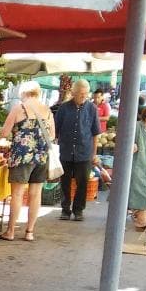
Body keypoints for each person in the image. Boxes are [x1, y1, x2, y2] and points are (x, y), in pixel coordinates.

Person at [0, 81, 54, 242]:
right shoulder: (48, 111)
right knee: (36, 194)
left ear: (24, 93)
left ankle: (10, 231)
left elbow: (4, 132)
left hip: (22, 156)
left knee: (17, 193)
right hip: (42, 157)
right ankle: (29, 232)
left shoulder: (19, 108)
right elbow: (52, 135)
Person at [53, 79, 100, 221]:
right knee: (65, 182)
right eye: (80, 93)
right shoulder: (64, 108)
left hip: (84, 151)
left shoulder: (92, 108)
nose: (83, 96)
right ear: (73, 93)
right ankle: (65, 209)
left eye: (85, 94)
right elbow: (56, 129)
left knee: (83, 182)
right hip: (66, 150)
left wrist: (94, 153)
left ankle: (78, 210)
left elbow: (95, 132)